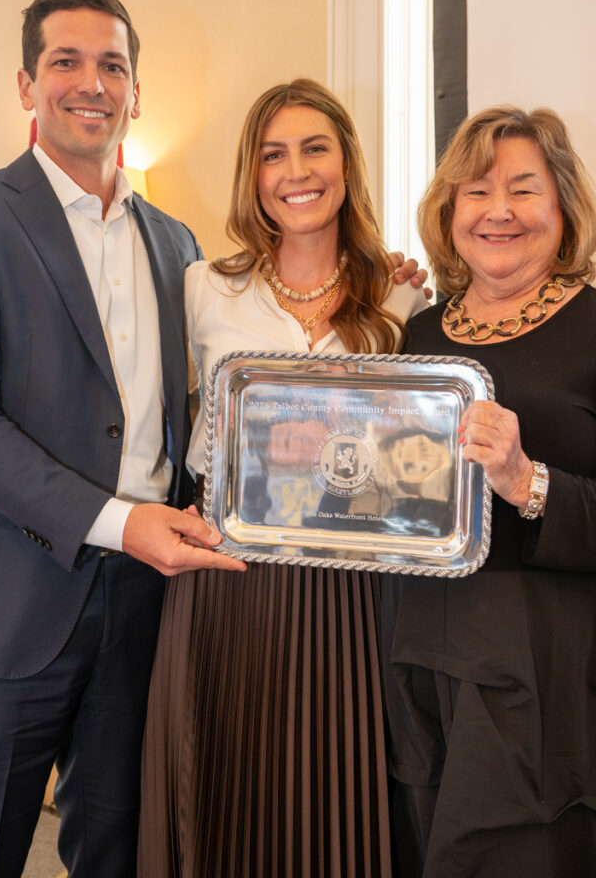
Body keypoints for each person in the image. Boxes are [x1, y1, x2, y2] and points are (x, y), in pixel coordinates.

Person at [0, 0, 247, 878]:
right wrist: (119, 523)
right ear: (26, 85)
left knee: (121, 853)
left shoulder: (177, 244)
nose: (91, 83)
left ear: (135, 92)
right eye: (65, 61)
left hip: (149, 608)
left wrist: (389, 292)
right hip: (7, 605)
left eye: (112, 65)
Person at [138, 78, 428, 877]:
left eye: (313, 149)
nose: (295, 171)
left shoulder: (400, 294)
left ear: (346, 165)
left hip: (348, 583)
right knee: (227, 782)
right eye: (273, 154)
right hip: (225, 571)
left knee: (331, 784)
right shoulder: (204, 286)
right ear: (253, 174)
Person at [380, 106, 596, 877]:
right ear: (448, 210)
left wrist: (526, 481)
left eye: (523, 189)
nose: (498, 211)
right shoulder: (417, 337)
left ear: (563, 206)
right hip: (418, 650)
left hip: (547, 669)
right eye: (476, 191)